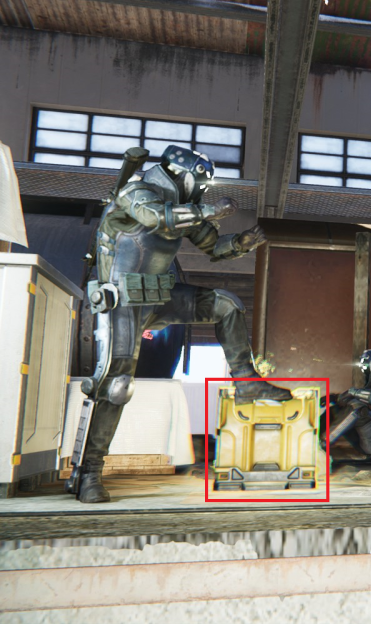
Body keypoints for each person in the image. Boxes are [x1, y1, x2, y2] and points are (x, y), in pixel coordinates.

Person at [67, 145, 288, 504]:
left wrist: (243, 242)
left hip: (156, 295)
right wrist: (208, 211)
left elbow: (214, 247)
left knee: (226, 305)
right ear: (180, 174)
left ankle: (247, 384)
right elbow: (155, 218)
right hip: (121, 299)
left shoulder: (185, 209)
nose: (201, 189)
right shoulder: (135, 191)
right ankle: (89, 472)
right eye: (199, 182)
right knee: (117, 384)